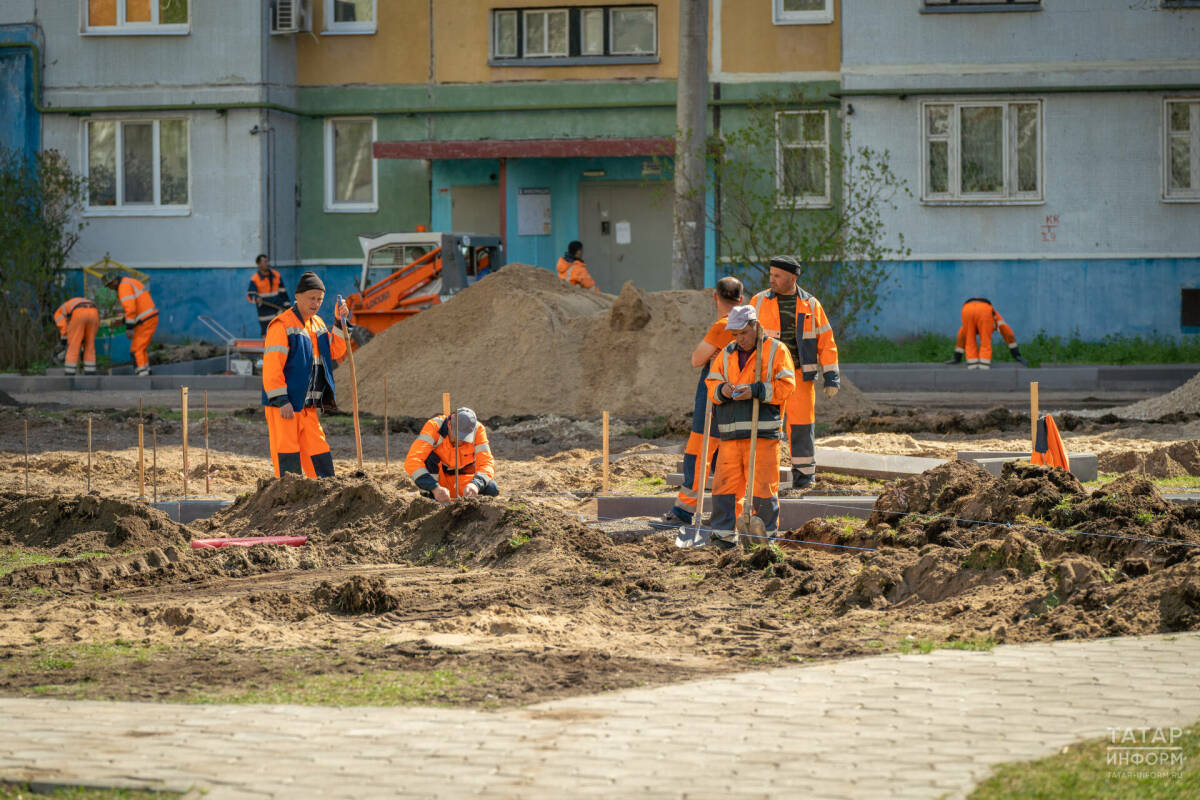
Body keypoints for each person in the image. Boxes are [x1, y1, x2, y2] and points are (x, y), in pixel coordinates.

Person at [705, 305, 795, 549]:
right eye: (735, 335)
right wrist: (721, 390)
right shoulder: (726, 353)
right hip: (731, 435)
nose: (740, 339)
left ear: (755, 326)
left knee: (764, 488)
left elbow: (787, 385)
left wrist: (756, 390)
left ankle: (765, 541)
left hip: (762, 434)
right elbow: (711, 384)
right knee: (725, 486)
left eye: (744, 333)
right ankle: (723, 537)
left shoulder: (776, 350)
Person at [749, 256, 840, 490]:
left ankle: (804, 476)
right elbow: (746, 340)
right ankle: (764, 475)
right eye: (771, 275)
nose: (772, 280)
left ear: (792, 277)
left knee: (802, 426)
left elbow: (826, 342)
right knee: (768, 426)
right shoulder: (758, 302)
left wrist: (832, 377)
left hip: (800, 377)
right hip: (769, 378)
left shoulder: (811, 304)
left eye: (777, 276)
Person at [661, 276, 745, 526]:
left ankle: (684, 511)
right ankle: (727, 515)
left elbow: (697, 358)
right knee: (728, 458)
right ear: (741, 299)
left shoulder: (723, 326)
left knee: (698, 454)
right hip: (738, 398)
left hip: (713, 399)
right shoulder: (749, 327)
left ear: (715, 297)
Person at [261, 271, 350, 478]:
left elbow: (335, 351)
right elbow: (272, 367)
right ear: (298, 296)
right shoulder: (281, 325)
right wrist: (281, 400)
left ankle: (325, 491)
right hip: (285, 406)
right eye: (312, 298)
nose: (316, 303)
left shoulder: (317, 323)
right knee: (287, 453)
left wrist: (339, 322)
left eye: (320, 299)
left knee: (318, 450)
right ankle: (289, 498)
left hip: (308, 406)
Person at [404, 407, 499, 502]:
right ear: (449, 424)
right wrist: (434, 488)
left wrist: (475, 485)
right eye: (457, 435)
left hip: (464, 482)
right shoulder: (434, 426)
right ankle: (432, 497)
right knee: (429, 457)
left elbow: (487, 463)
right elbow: (413, 461)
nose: (459, 441)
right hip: (437, 481)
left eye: (464, 437)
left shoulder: (478, 430)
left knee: (492, 489)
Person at [104, 270, 158, 377]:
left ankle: (142, 374)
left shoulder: (123, 287)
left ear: (114, 282)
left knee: (136, 349)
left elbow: (131, 309)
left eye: (109, 285)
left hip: (145, 320)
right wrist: (124, 321)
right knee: (141, 348)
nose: (109, 288)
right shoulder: (129, 282)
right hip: (148, 318)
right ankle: (146, 370)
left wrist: (129, 328)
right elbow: (136, 308)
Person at [947, 298, 1028, 368]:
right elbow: (1008, 333)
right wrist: (1016, 354)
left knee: (969, 339)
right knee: (985, 340)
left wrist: (957, 357)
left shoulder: (969, 325)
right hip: (984, 310)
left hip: (966, 309)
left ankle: (972, 368)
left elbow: (961, 336)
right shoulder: (995, 317)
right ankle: (984, 368)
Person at [53, 297, 100, 376]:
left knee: (73, 346)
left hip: (79, 313)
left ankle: (69, 374)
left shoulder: (59, 312)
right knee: (89, 345)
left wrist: (63, 339)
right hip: (95, 313)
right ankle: (90, 374)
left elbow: (63, 326)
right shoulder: (72, 304)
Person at [247, 254, 291, 336]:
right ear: (258, 264)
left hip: (278, 310)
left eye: (267, 261)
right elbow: (250, 294)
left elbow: (283, 293)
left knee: (281, 333)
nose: (267, 264)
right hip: (265, 313)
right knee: (267, 335)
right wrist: (256, 298)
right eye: (265, 262)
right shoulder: (255, 279)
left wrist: (287, 307)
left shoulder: (276, 275)